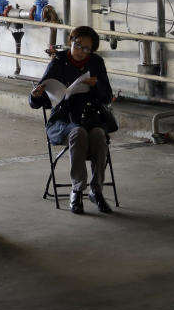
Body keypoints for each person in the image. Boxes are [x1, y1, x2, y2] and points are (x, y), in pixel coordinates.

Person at [29, 26, 114, 214]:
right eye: (77, 45)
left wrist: (96, 85)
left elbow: (107, 96)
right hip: (62, 120)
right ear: (70, 41)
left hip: (90, 117)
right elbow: (40, 99)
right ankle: (77, 189)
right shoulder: (58, 61)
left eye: (86, 49)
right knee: (78, 133)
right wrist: (35, 95)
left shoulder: (96, 62)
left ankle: (96, 190)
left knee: (99, 135)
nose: (80, 52)